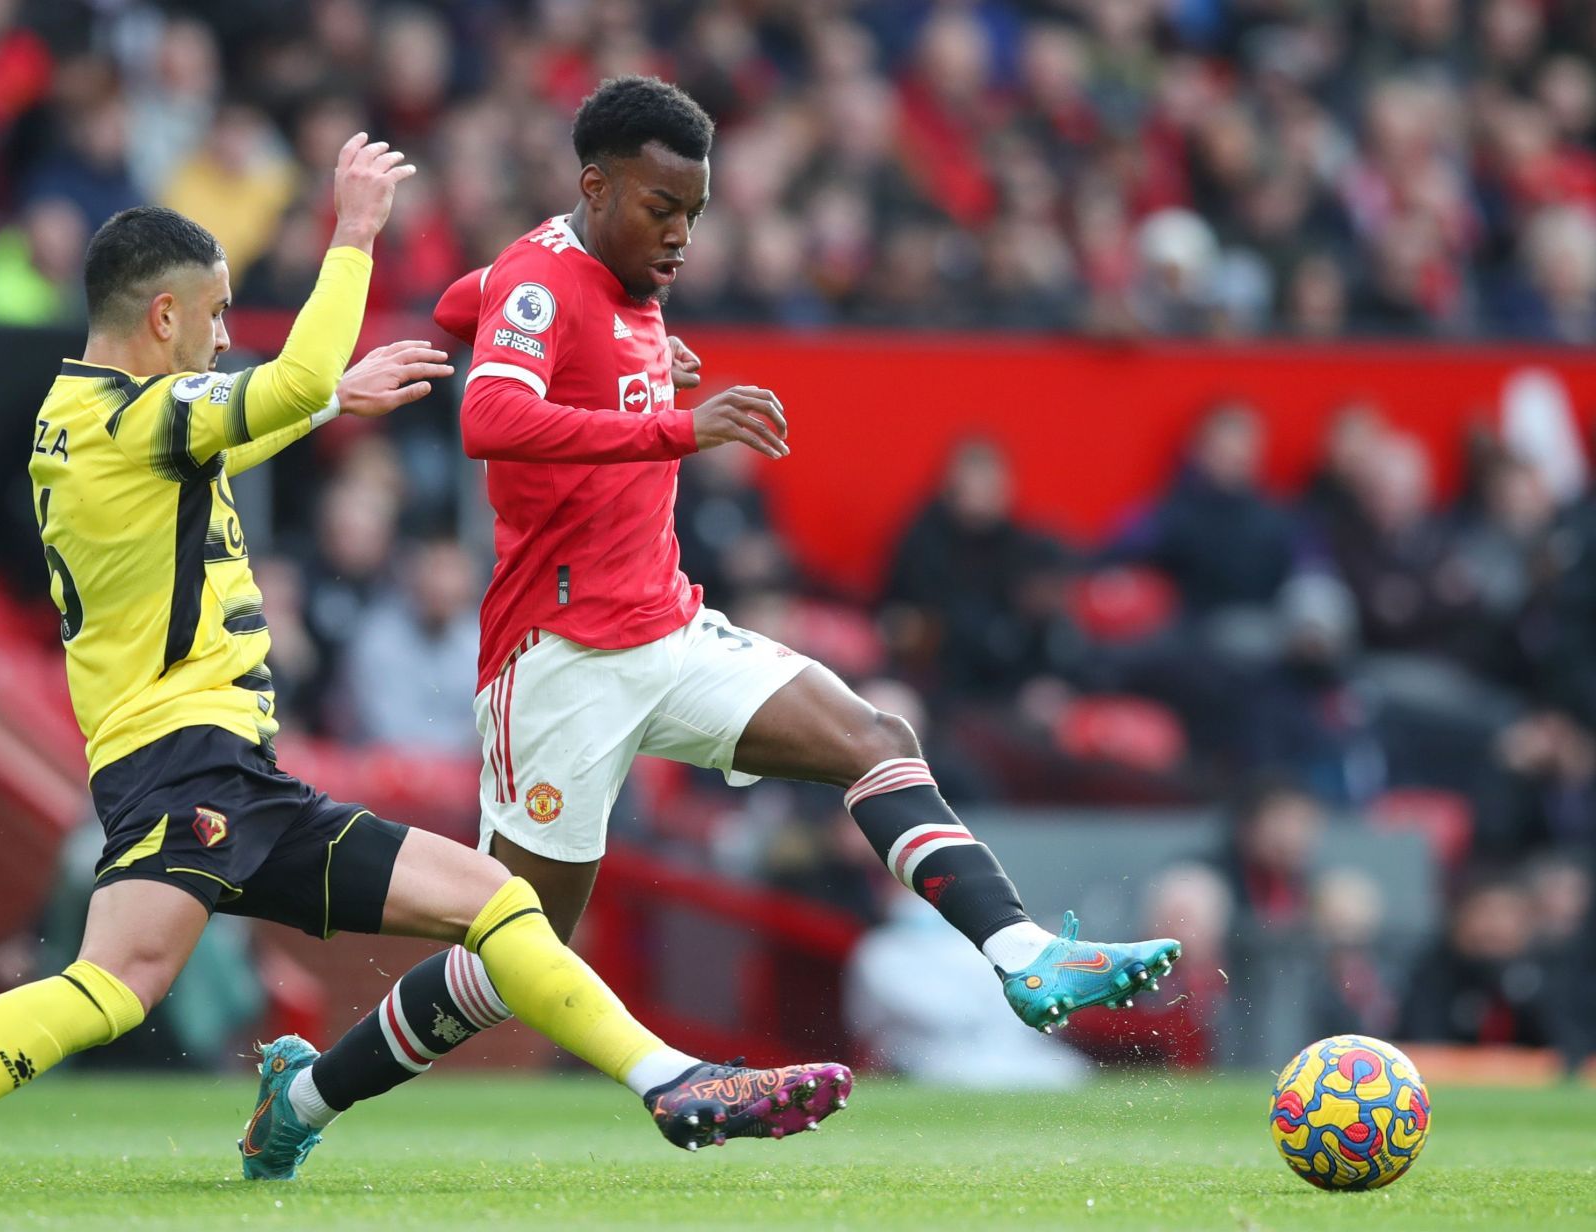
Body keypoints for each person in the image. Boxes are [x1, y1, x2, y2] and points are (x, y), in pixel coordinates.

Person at [0, 135, 851, 1196]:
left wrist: (337, 396)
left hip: (224, 777)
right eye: (215, 313)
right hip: (186, 769)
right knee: (110, 984)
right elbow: (276, 383)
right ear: (163, 317)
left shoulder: (83, 419)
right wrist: (354, 235)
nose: (222, 334)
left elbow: (230, 430)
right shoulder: (136, 416)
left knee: (489, 901)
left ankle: (671, 1081)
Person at [289, 77, 1179, 1144]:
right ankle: (301, 1098)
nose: (680, 236)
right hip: (559, 658)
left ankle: (1021, 953)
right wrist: (670, 423)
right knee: (512, 955)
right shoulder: (545, 275)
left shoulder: (600, 278)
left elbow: (463, 306)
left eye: (694, 214)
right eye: (661, 208)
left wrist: (603, 362)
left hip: (664, 626)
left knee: (872, 735)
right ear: (596, 185)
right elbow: (491, 414)